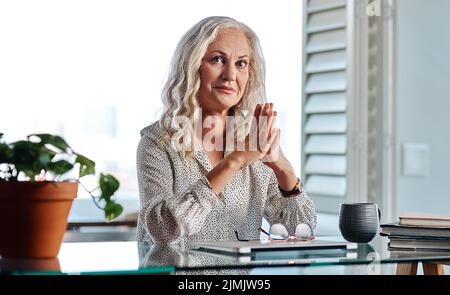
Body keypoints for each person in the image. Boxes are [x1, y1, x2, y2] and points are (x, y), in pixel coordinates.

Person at [136, 16, 316, 244]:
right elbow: (163, 229)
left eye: (241, 64)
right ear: (192, 67)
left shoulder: (253, 142)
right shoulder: (157, 144)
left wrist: (284, 170)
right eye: (217, 60)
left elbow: (302, 231)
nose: (230, 76)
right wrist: (233, 162)